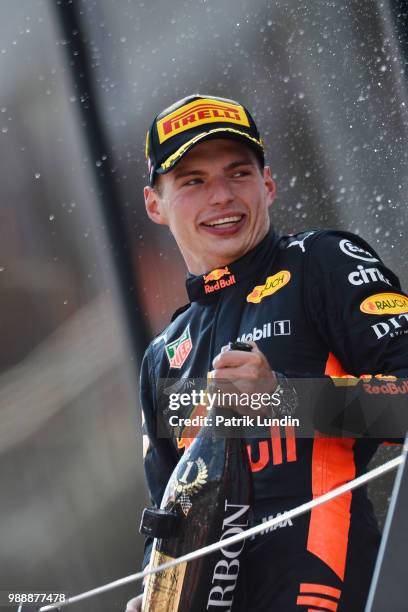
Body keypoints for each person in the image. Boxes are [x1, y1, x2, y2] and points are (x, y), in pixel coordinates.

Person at [126, 94, 408, 611]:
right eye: (193, 181)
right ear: (154, 205)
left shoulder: (322, 262)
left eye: (238, 173)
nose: (221, 196)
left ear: (268, 183)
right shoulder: (162, 357)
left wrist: (285, 402)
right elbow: (167, 529)